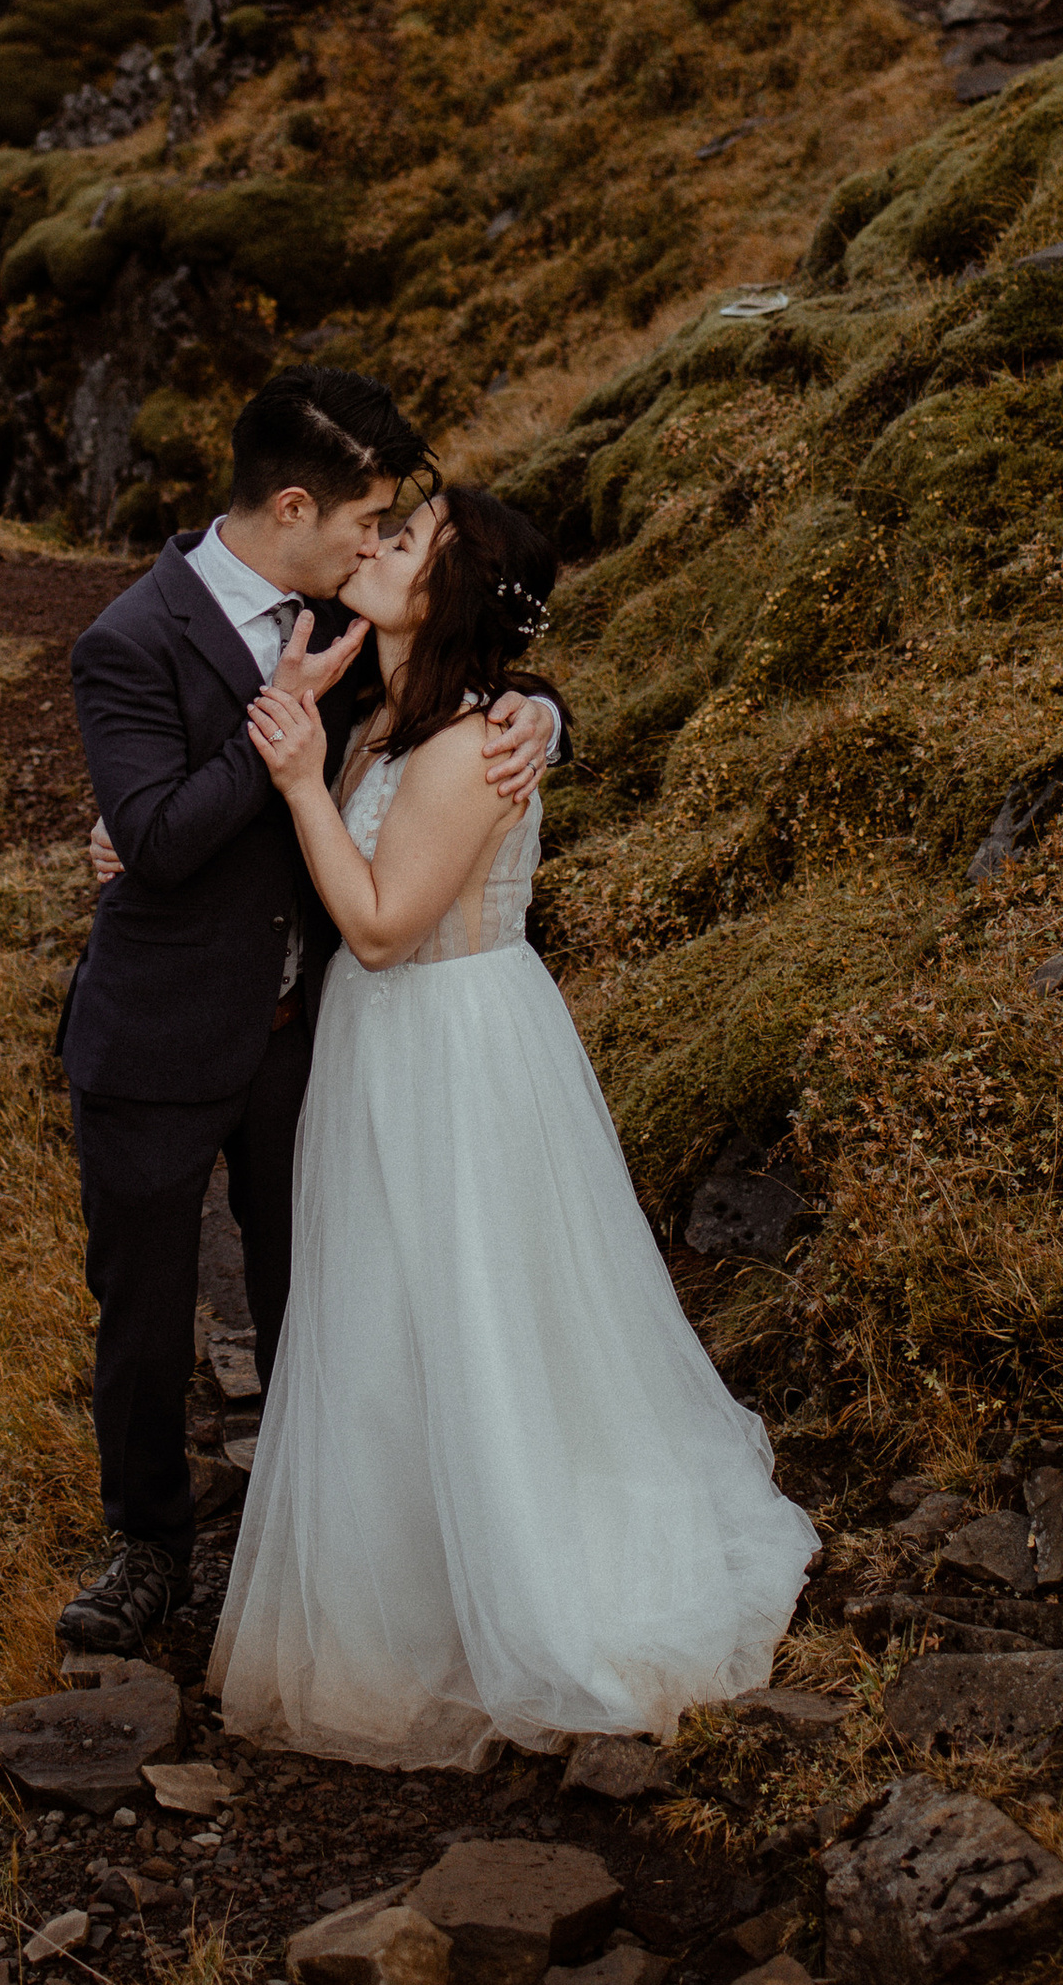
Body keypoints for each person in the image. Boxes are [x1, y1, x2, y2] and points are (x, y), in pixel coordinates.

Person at [208, 482, 815, 1766]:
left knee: (477, 1302)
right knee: (391, 1308)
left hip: (451, 1044)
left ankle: (520, 1577)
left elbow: (382, 930)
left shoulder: (464, 745)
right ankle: (416, 1566)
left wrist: (304, 784)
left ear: (454, 593)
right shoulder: (395, 721)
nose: (375, 544)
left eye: (407, 540)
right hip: (388, 1049)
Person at [57, 366, 563, 1659]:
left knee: (324, 1288)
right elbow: (158, 839)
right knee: (146, 1308)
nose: (377, 542)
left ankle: (320, 1530)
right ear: (295, 507)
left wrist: (545, 713)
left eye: (393, 530)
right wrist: (274, 736)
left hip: (308, 1035)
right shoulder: (128, 639)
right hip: (160, 1034)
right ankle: (148, 1543)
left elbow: (456, 679)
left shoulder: (349, 612)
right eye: (368, 520)